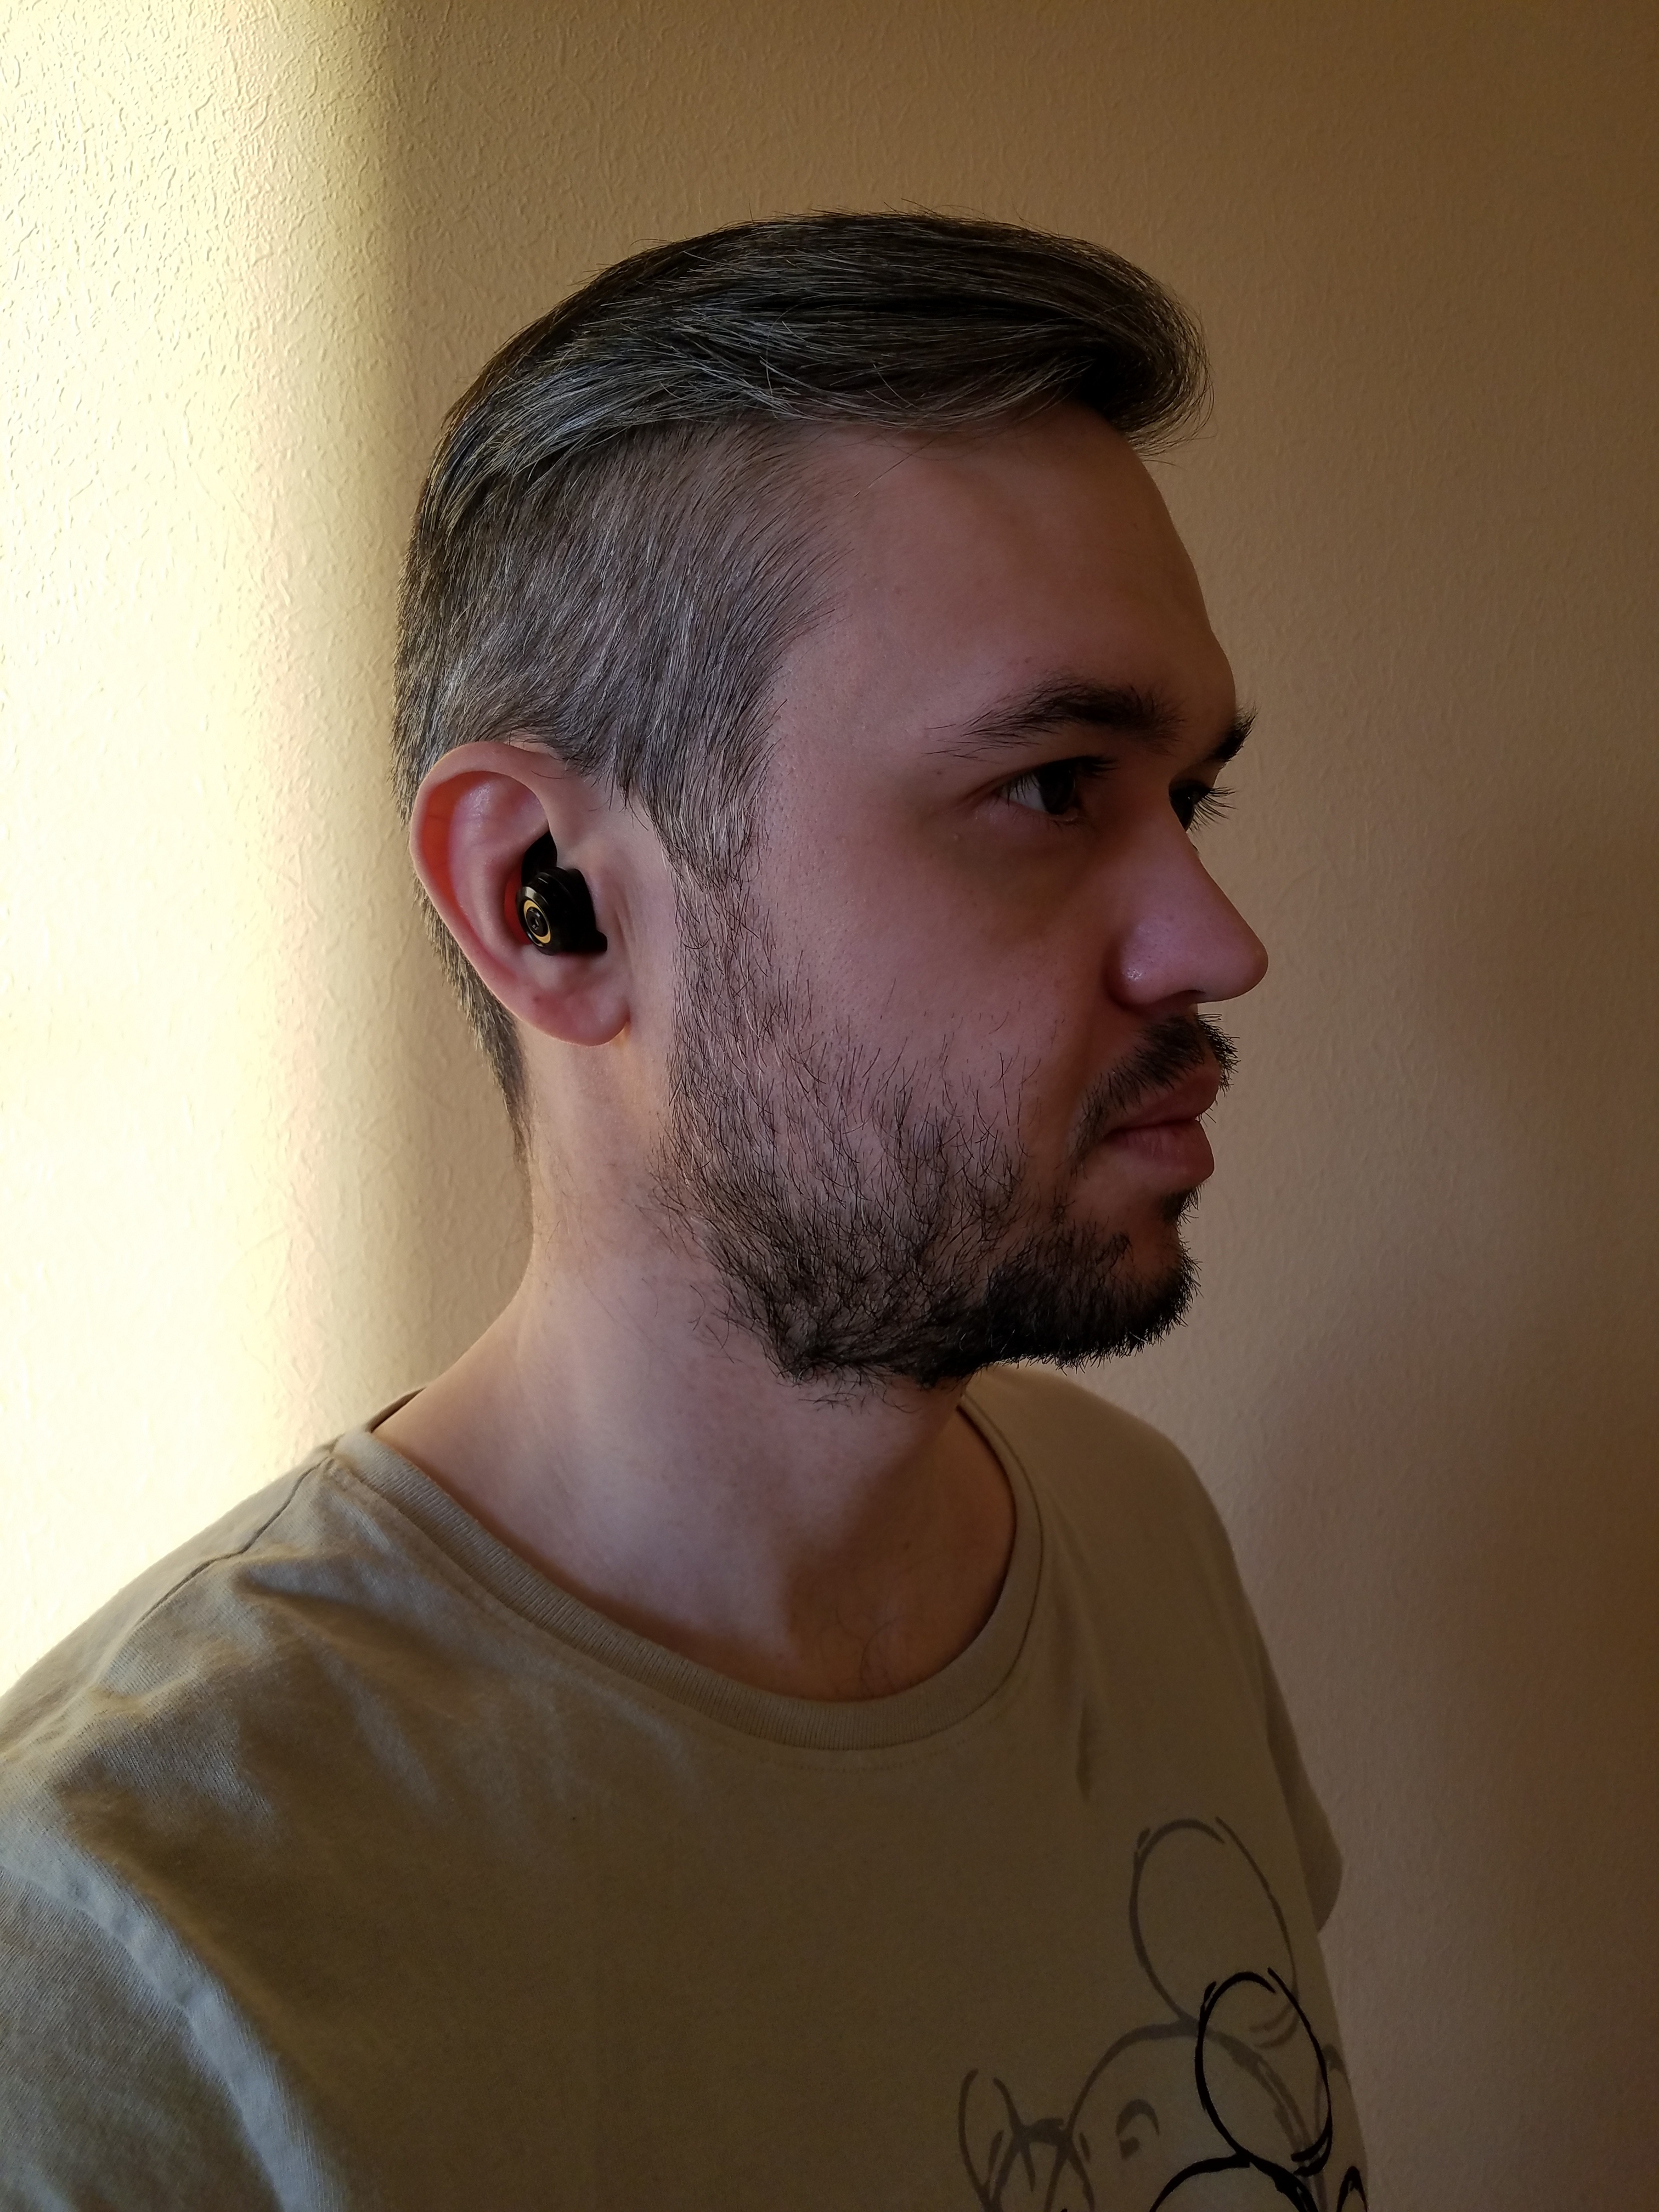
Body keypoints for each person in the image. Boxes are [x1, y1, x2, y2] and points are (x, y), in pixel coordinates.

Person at [0, 213, 1367, 2208]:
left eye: (1191, 800)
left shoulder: (1134, 1539)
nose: (1217, 943)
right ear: (548, 902)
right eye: (1056, 788)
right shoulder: (123, 1969)